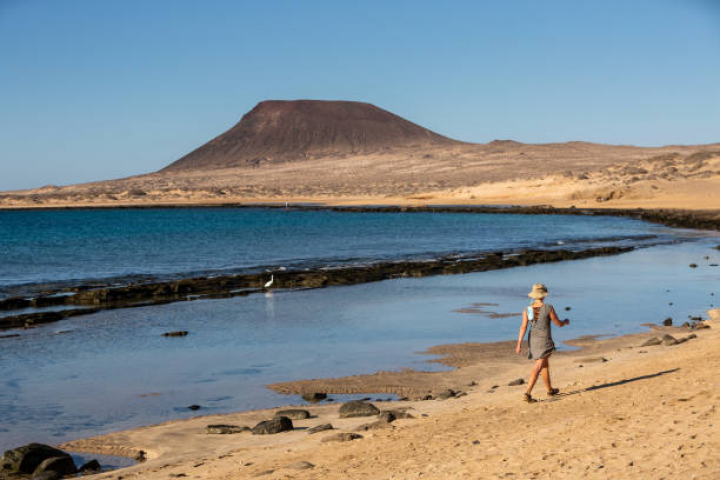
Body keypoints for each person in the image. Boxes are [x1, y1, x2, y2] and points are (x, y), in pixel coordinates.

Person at [515, 283, 569, 402]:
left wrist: (519, 343)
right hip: (544, 340)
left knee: (544, 364)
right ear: (544, 295)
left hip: (532, 340)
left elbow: (523, 327)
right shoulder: (548, 307)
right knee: (539, 365)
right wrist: (565, 322)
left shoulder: (527, 309)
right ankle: (527, 393)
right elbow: (558, 323)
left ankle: (550, 390)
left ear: (534, 296)